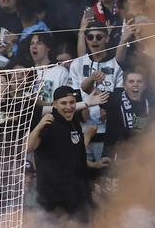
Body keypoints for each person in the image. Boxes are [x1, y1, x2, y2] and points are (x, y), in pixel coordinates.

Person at [27, 85, 109, 220]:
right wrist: (38, 127)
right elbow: (28, 148)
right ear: (54, 104)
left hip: (77, 191)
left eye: (72, 103)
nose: (69, 107)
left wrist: (94, 165)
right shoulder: (48, 123)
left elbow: (75, 153)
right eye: (63, 103)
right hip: (54, 196)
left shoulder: (73, 123)